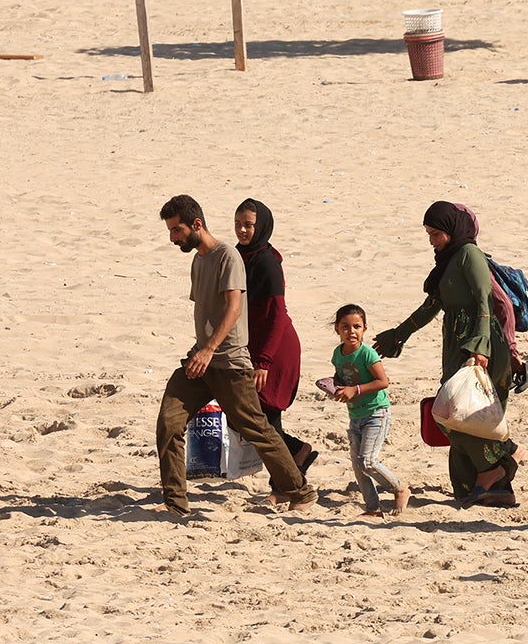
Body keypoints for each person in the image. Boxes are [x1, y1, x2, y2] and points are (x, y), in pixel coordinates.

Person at [155, 194, 316, 517]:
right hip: (200, 362)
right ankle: (175, 503)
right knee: (169, 423)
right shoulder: (198, 261)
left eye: (177, 231)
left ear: (196, 224)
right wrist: (198, 351)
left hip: (229, 363)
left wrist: (214, 350)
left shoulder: (228, 257)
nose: (173, 238)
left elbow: (234, 308)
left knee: (259, 429)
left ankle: (300, 490)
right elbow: (207, 313)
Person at [373, 201, 523, 507]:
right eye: (428, 234)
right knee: (462, 413)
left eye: (436, 234)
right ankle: (492, 487)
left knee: (457, 413)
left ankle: (496, 464)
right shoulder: (447, 259)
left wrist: (480, 348)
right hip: (457, 344)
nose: (431, 240)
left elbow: (485, 301)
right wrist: (397, 335)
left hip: (481, 345)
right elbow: (431, 306)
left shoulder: (470, 254)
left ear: (452, 231)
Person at [233, 198, 316, 477]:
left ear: (263, 226)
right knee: (255, 416)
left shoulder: (267, 263)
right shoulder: (239, 257)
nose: (242, 230)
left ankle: (287, 479)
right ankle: (295, 454)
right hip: (255, 344)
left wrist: (264, 361)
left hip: (276, 347)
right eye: (238, 224)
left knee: (263, 416)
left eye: (249, 225)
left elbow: (277, 315)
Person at [328, 304, 410, 518]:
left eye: (356, 326)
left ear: (364, 329)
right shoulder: (338, 354)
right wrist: (334, 385)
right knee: (357, 465)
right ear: (337, 329)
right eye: (345, 327)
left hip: (376, 413)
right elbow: (342, 376)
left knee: (368, 461)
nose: (351, 331)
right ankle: (372, 508)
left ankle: (399, 489)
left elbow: (383, 382)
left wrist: (354, 390)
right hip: (355, 415)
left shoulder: (367, 354)